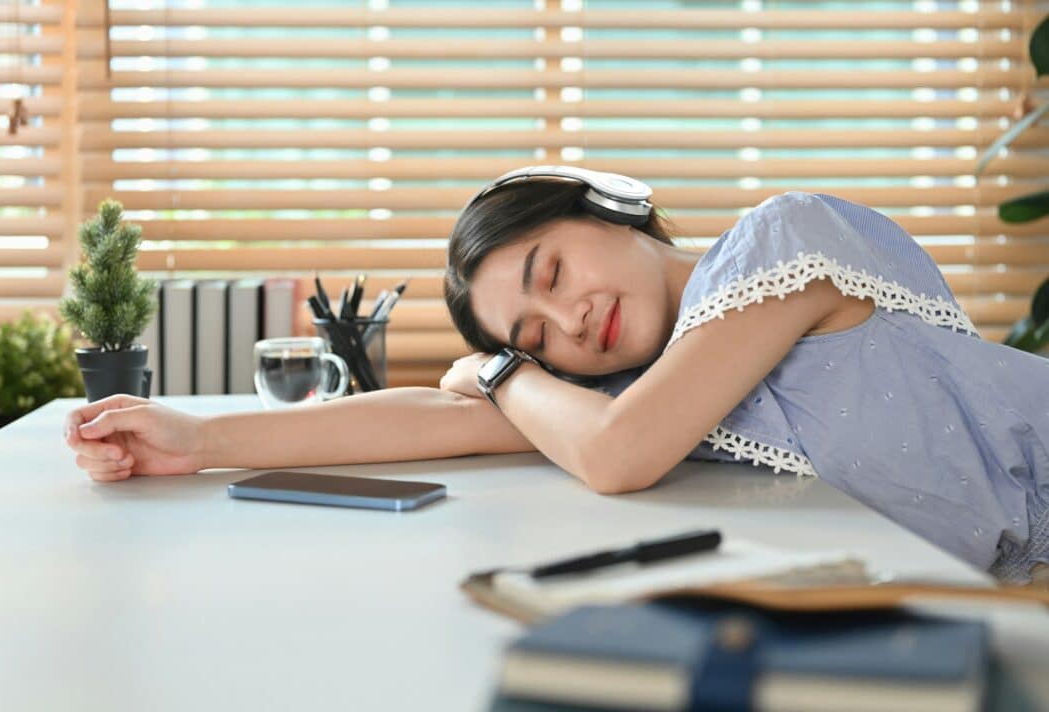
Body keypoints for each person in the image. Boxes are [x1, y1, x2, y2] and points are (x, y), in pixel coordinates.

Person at [63, 166, 1049, 586]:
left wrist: (499, 367)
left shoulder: (784, 241)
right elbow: (436, 420)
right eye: (537, 333)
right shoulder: (657, 388)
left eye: (552, 273)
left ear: (615, 207)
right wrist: (195, 438)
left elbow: (616, 457)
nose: (570, 320)